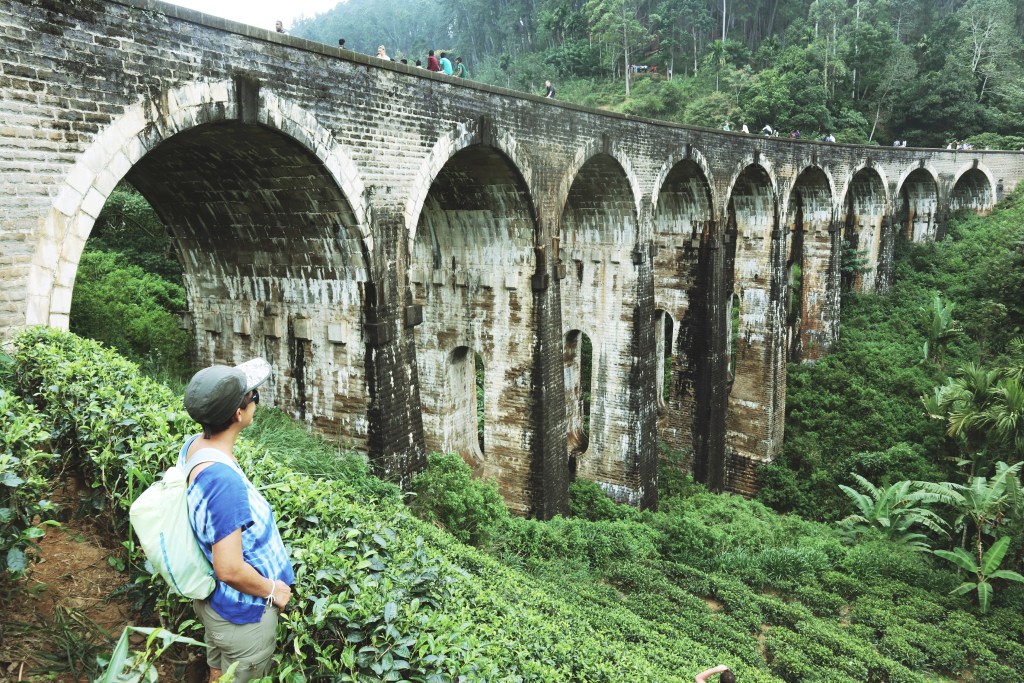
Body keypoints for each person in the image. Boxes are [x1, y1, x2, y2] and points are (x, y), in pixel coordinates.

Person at [182, 359, 295, 683]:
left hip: (215, 605)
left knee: (218, 667)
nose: (256, 400)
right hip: (242, 616)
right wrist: (273, 589)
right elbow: (229, 568)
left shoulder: (195, 446)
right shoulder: (224, 482)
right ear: (238, 414)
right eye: (253, 395)